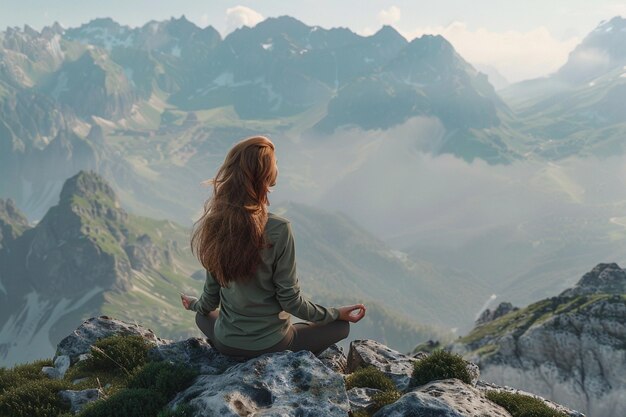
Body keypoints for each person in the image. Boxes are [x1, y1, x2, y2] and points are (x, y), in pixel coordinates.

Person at [180, 135, 366, 359]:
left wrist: (193, 305)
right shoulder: (279, 229)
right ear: (266, 174)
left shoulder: (215, 224)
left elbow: (209, 302)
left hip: (226, 343)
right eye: (275, 162)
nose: (278, 165)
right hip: (273, 345)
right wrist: (336, 313)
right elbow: (291, 302)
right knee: (340, 327)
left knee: (202, 317)